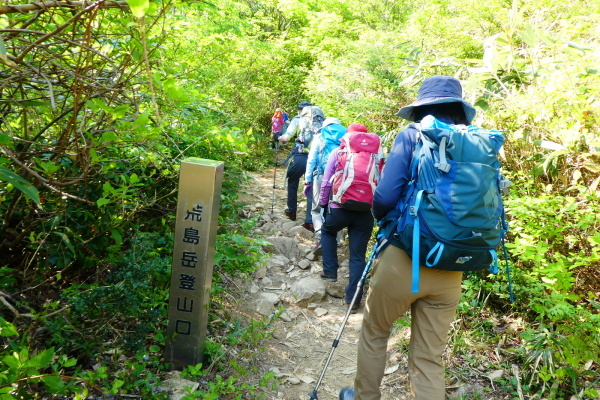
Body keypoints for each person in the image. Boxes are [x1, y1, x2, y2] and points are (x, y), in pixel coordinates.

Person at [338, 76, 477, 400]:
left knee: (375, 332)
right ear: (458, 109)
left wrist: (383, 218)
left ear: (421, 107)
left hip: (405, 259)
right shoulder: (473, 143)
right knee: (429, 357)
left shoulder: (411, 136)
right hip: (451, 265)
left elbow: (384, 198)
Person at [318, 123, 376, 314]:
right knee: (357, 256)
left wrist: (324, 203)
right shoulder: (375, 157)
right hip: (365, 212)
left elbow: (326, 181)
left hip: (339, 207)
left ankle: (330, 271)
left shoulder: (339, 151)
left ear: (348, 136)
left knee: (328, 231)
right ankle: (353, 300)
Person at [303, 117, 346, 253]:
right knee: (335, 208)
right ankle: (336, 240)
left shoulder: (320, 136)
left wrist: (307, 180)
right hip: (340, 178)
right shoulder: (346, 136)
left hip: (321, 176)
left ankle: (321, 236)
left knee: (317, 209)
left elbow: (311, 159)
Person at [279, 101, 323, 230]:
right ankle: (309, 221)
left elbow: (287, 137)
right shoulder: (321, 121)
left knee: (293, 180)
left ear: (300, 110)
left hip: (300, 157)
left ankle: (292, 211)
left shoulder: (297, 119)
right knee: (312, 187)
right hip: (316, 159)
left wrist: (280, 137)